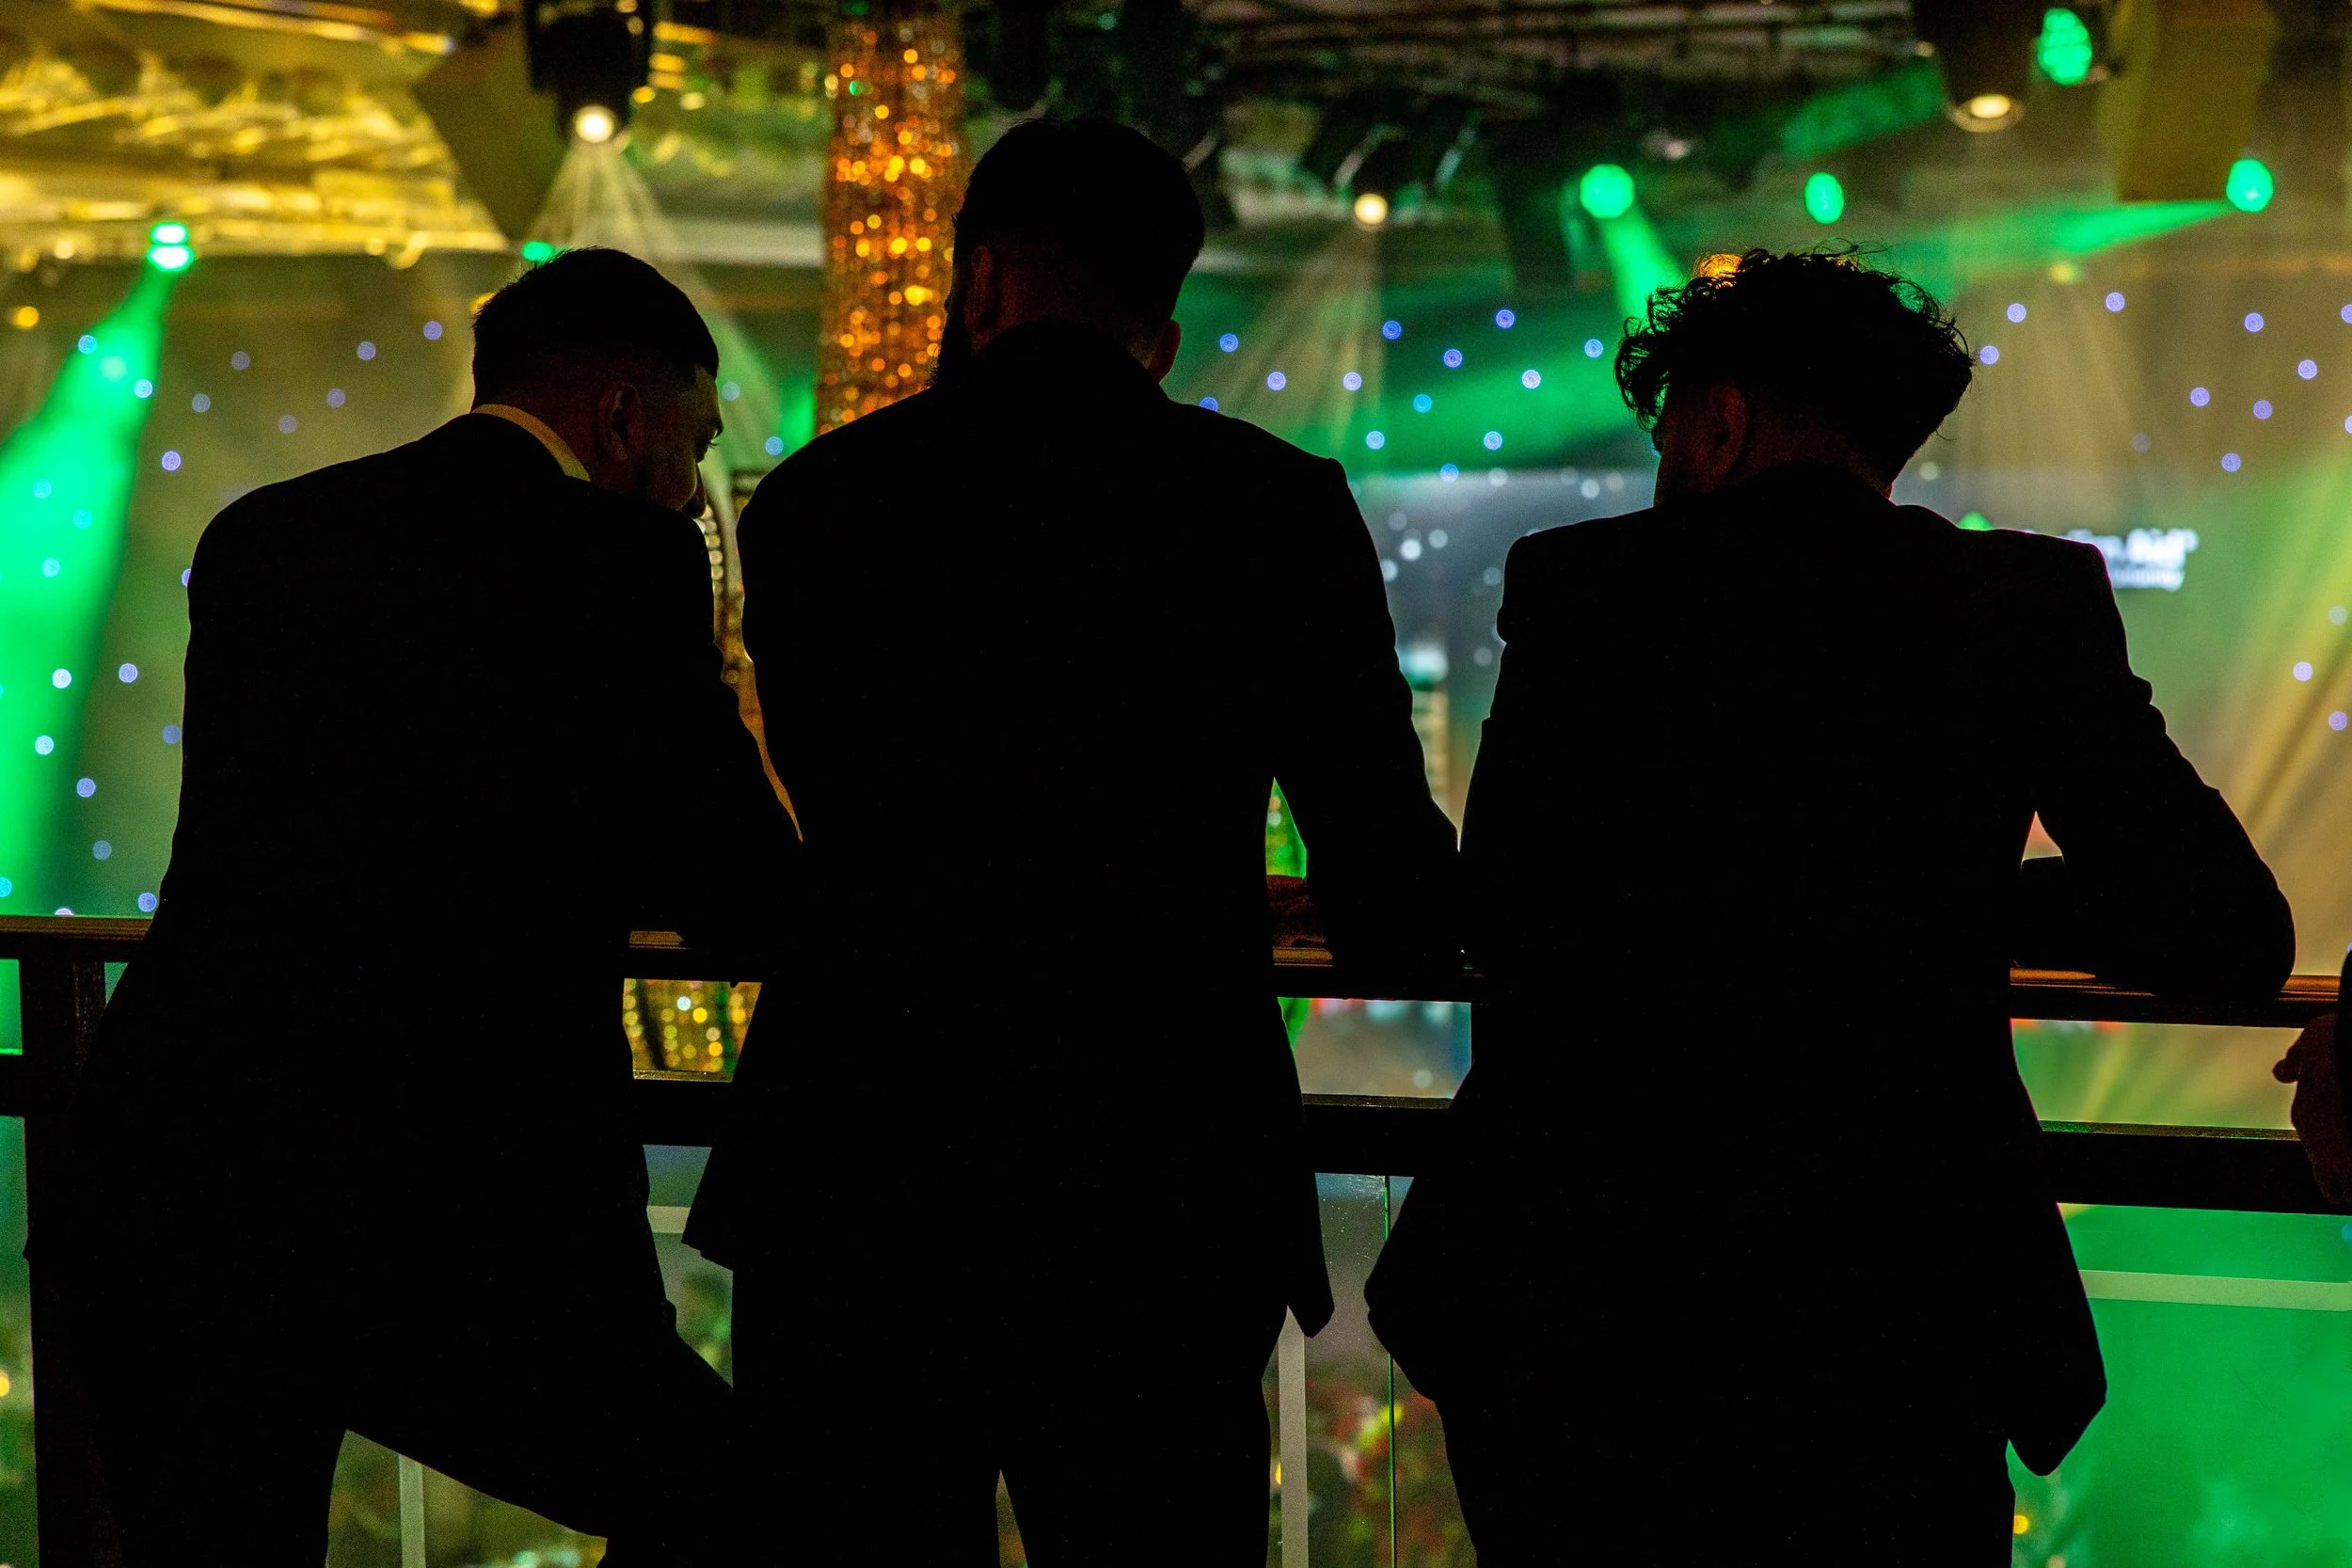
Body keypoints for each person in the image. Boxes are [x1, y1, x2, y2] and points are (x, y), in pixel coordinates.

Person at [1366, 247, 2295, 1562]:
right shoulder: (2019, 604)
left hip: (1572, 1303)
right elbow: (2228, 929)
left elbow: (1513, 914)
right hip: (1895, 1319)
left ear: (1722, 422)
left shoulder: (1584, 588)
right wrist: (1963, 901)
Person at [687, 118, 1457, 1562]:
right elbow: (1387, 871)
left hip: (864, 1165)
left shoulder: (816, 506)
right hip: (1157, 1183)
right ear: (1160, 324)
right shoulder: (1273, 507)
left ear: (978, 282)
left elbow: (840, 808)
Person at [56, 247, 796, 1564]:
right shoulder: (626, 567)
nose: (696, 486)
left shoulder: (266, 535)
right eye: (694, 441)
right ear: (626, 417)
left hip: (184, 1159)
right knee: (729, 1496)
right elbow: (743, 897)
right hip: (456, 1200)